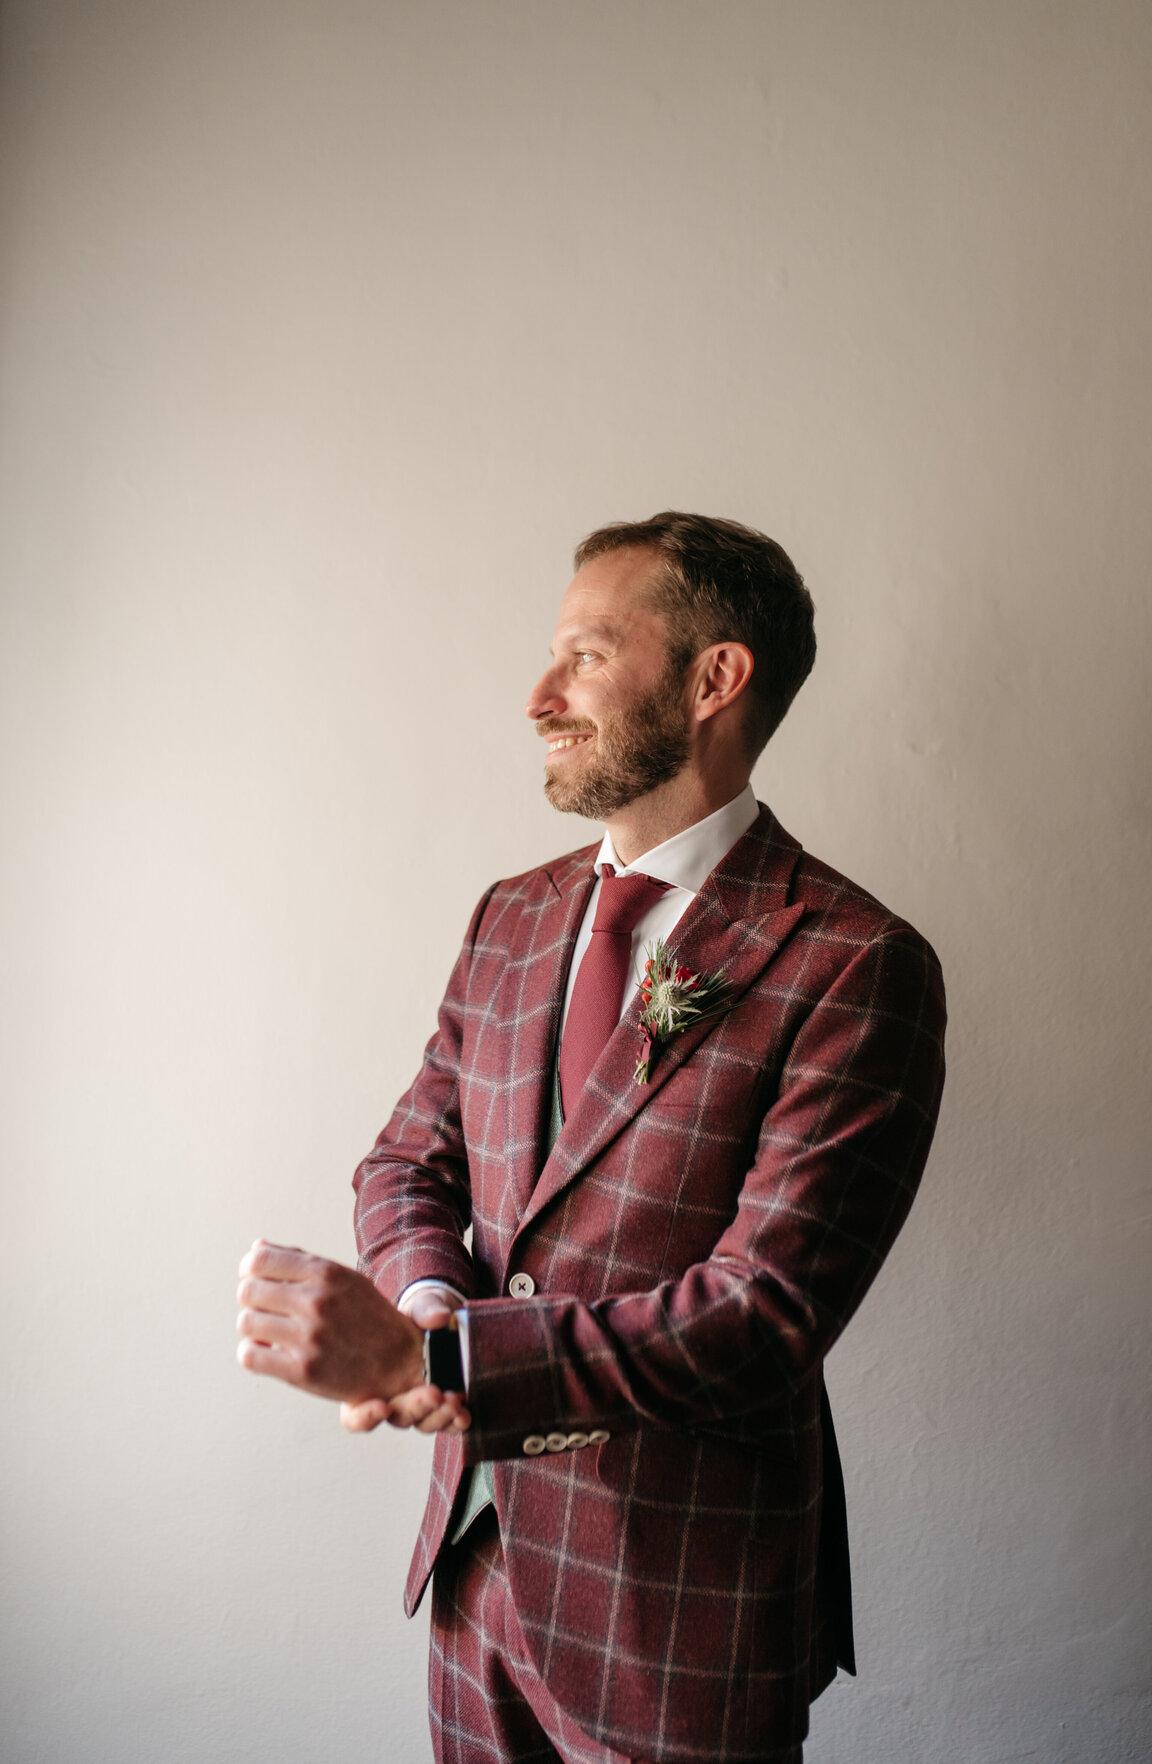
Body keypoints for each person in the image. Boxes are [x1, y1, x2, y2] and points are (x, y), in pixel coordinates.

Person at [236, 512, 947, 1764]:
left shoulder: (856, 961)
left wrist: (440, 1363)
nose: (538, 695)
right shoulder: (512, 916)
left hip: (682, 1614)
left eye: (584, 655)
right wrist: (424, 1299)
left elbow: (762, 1312)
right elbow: (409, 1160)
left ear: (714, 677)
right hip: (477, 1575)